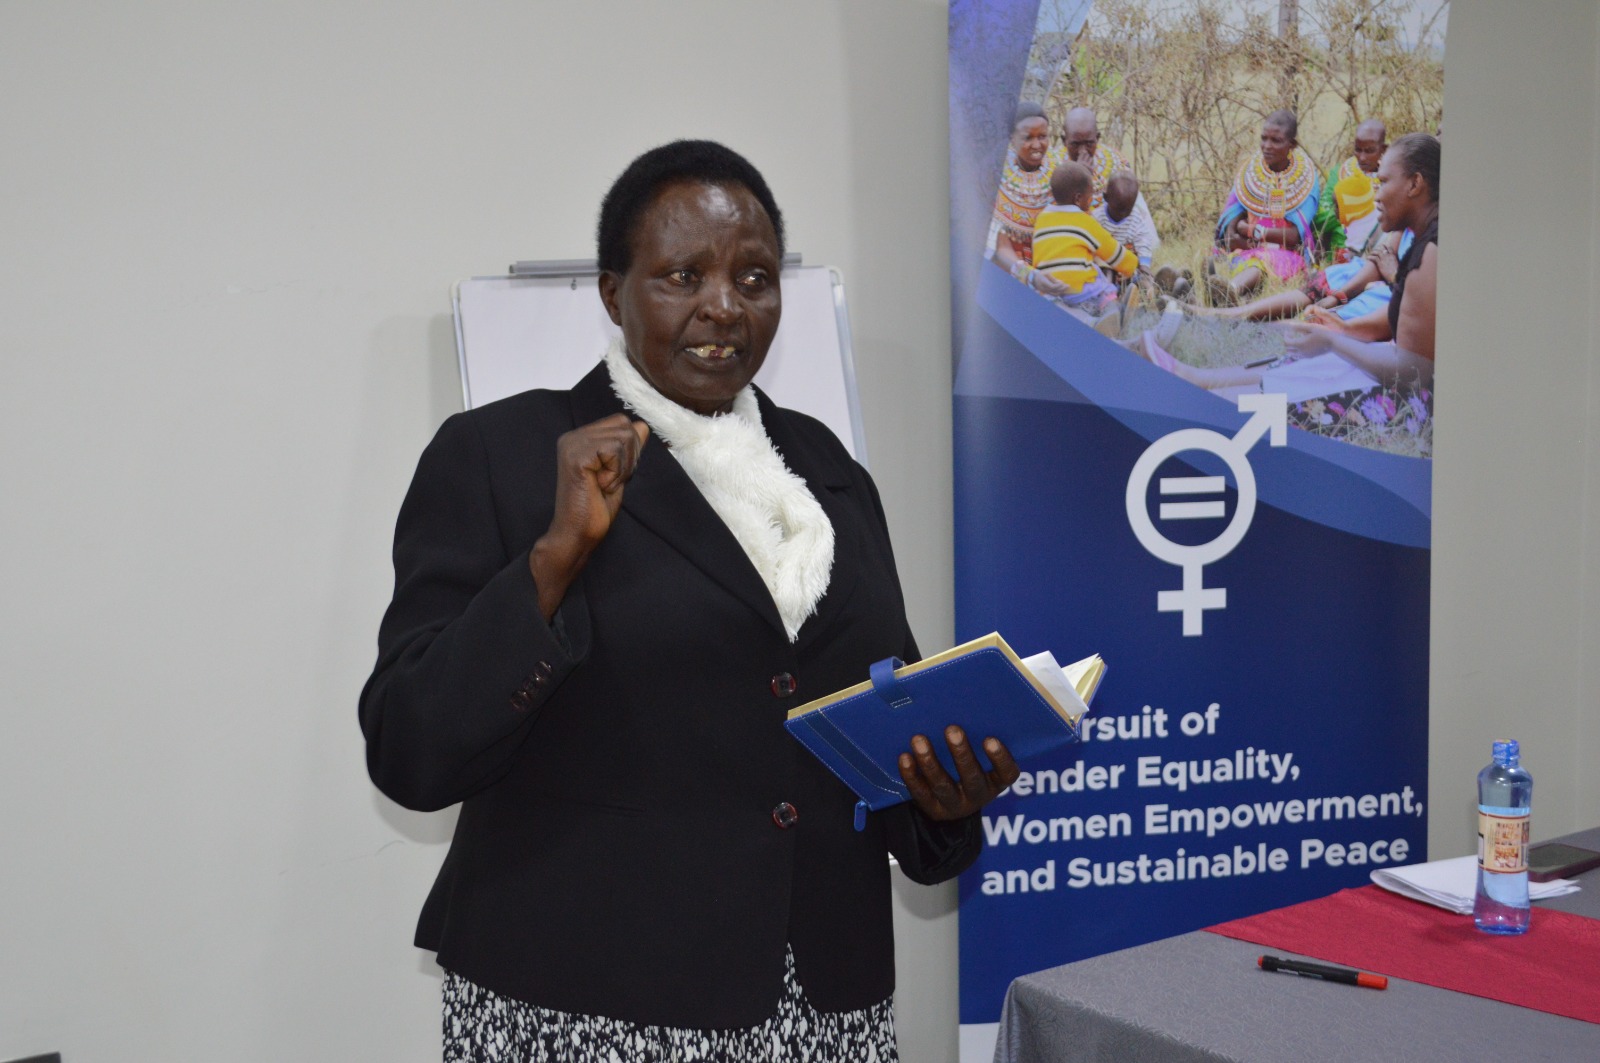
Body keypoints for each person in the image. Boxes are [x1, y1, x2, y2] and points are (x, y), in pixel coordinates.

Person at [361, 140, 1020, 1061]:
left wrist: (941, 801)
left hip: (824, 1007)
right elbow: (409, 750)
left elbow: (870, 713)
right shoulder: (501, 456)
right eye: (682, 274)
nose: (724, 303)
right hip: (586, 1006)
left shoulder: (825, 471)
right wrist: (554, 559)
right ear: (611, 292)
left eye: (754, 276)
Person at [1142, 133, 1439, 424]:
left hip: (1412, 404)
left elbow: (1414, 374)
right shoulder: (1423, 243)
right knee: (1318, 363)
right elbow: (1401, 320)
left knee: (1313, 383)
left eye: (1384, 182)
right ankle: (1195, 380)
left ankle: (1193, 398)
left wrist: (1333, 343)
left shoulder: (1432, 255)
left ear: (1414, 184)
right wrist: (1343, 330)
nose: (1377, 194)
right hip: (1397, 375)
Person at [1208, 110, 1322, 303]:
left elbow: (1294, 237)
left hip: (1287, 257)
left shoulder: (1307, 181)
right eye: (1264, 139)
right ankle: (1215, 291)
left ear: (1291, 145)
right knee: (1253, 262)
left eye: (1276, 141)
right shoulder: (1249, 175)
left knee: (1261, 263)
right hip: (1245, 251)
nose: (1267, 146)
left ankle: (1230, 291)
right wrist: (1254, 244)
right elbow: (1230, 236)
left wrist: (1252, 230)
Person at [987, 101, 1073, 296]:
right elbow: (1000, 248)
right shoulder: (994, 176)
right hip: (1011, 269)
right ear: (1012, 138)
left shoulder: (1060, 170)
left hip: (1052, 261)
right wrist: (1030, 276)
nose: (1037, 145)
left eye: (1042, 136)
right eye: (1027, 138)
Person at [1032, 160, 1136, 315]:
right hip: (1079, 292)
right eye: (1091, 194)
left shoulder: (1041, 219)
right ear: (1078, 199)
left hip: (1046, 292)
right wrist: (1133, 265)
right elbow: (1112, 251)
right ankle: (1112, 310)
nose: (1092, 199)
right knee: (1102, 284)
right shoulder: (1085, 221)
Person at [1062, 106, 1161, 252]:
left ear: (1098, 138)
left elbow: (1131, 209)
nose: (1082, 151)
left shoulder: (1116, 162)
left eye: (1089, 143)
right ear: (1064, 140)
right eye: (1075, 144)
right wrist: (1080, 177)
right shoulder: (1054, 167)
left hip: (1118, 240)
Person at [1312, 118, 1388, 261]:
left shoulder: (1394, 179)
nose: (1362, 157)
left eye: (1369, 151)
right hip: (1341, 252)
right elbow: (1320, 218)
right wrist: (1354, 214)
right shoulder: (1339, 173)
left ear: (1383, 149)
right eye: (1358, 150)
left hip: (1381, 253)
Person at [1093, 170, 1158, 275]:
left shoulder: (1135, 218)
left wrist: (1144, 266)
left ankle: (1159, 283)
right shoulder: (1097, 218)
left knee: (1140, 276)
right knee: (1104, 272)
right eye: (1118, 209)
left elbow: (1143, 240)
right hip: (1103, 267)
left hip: (1126, 267)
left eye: (1128, 209)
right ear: (1106, 197)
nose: (1123, 214)